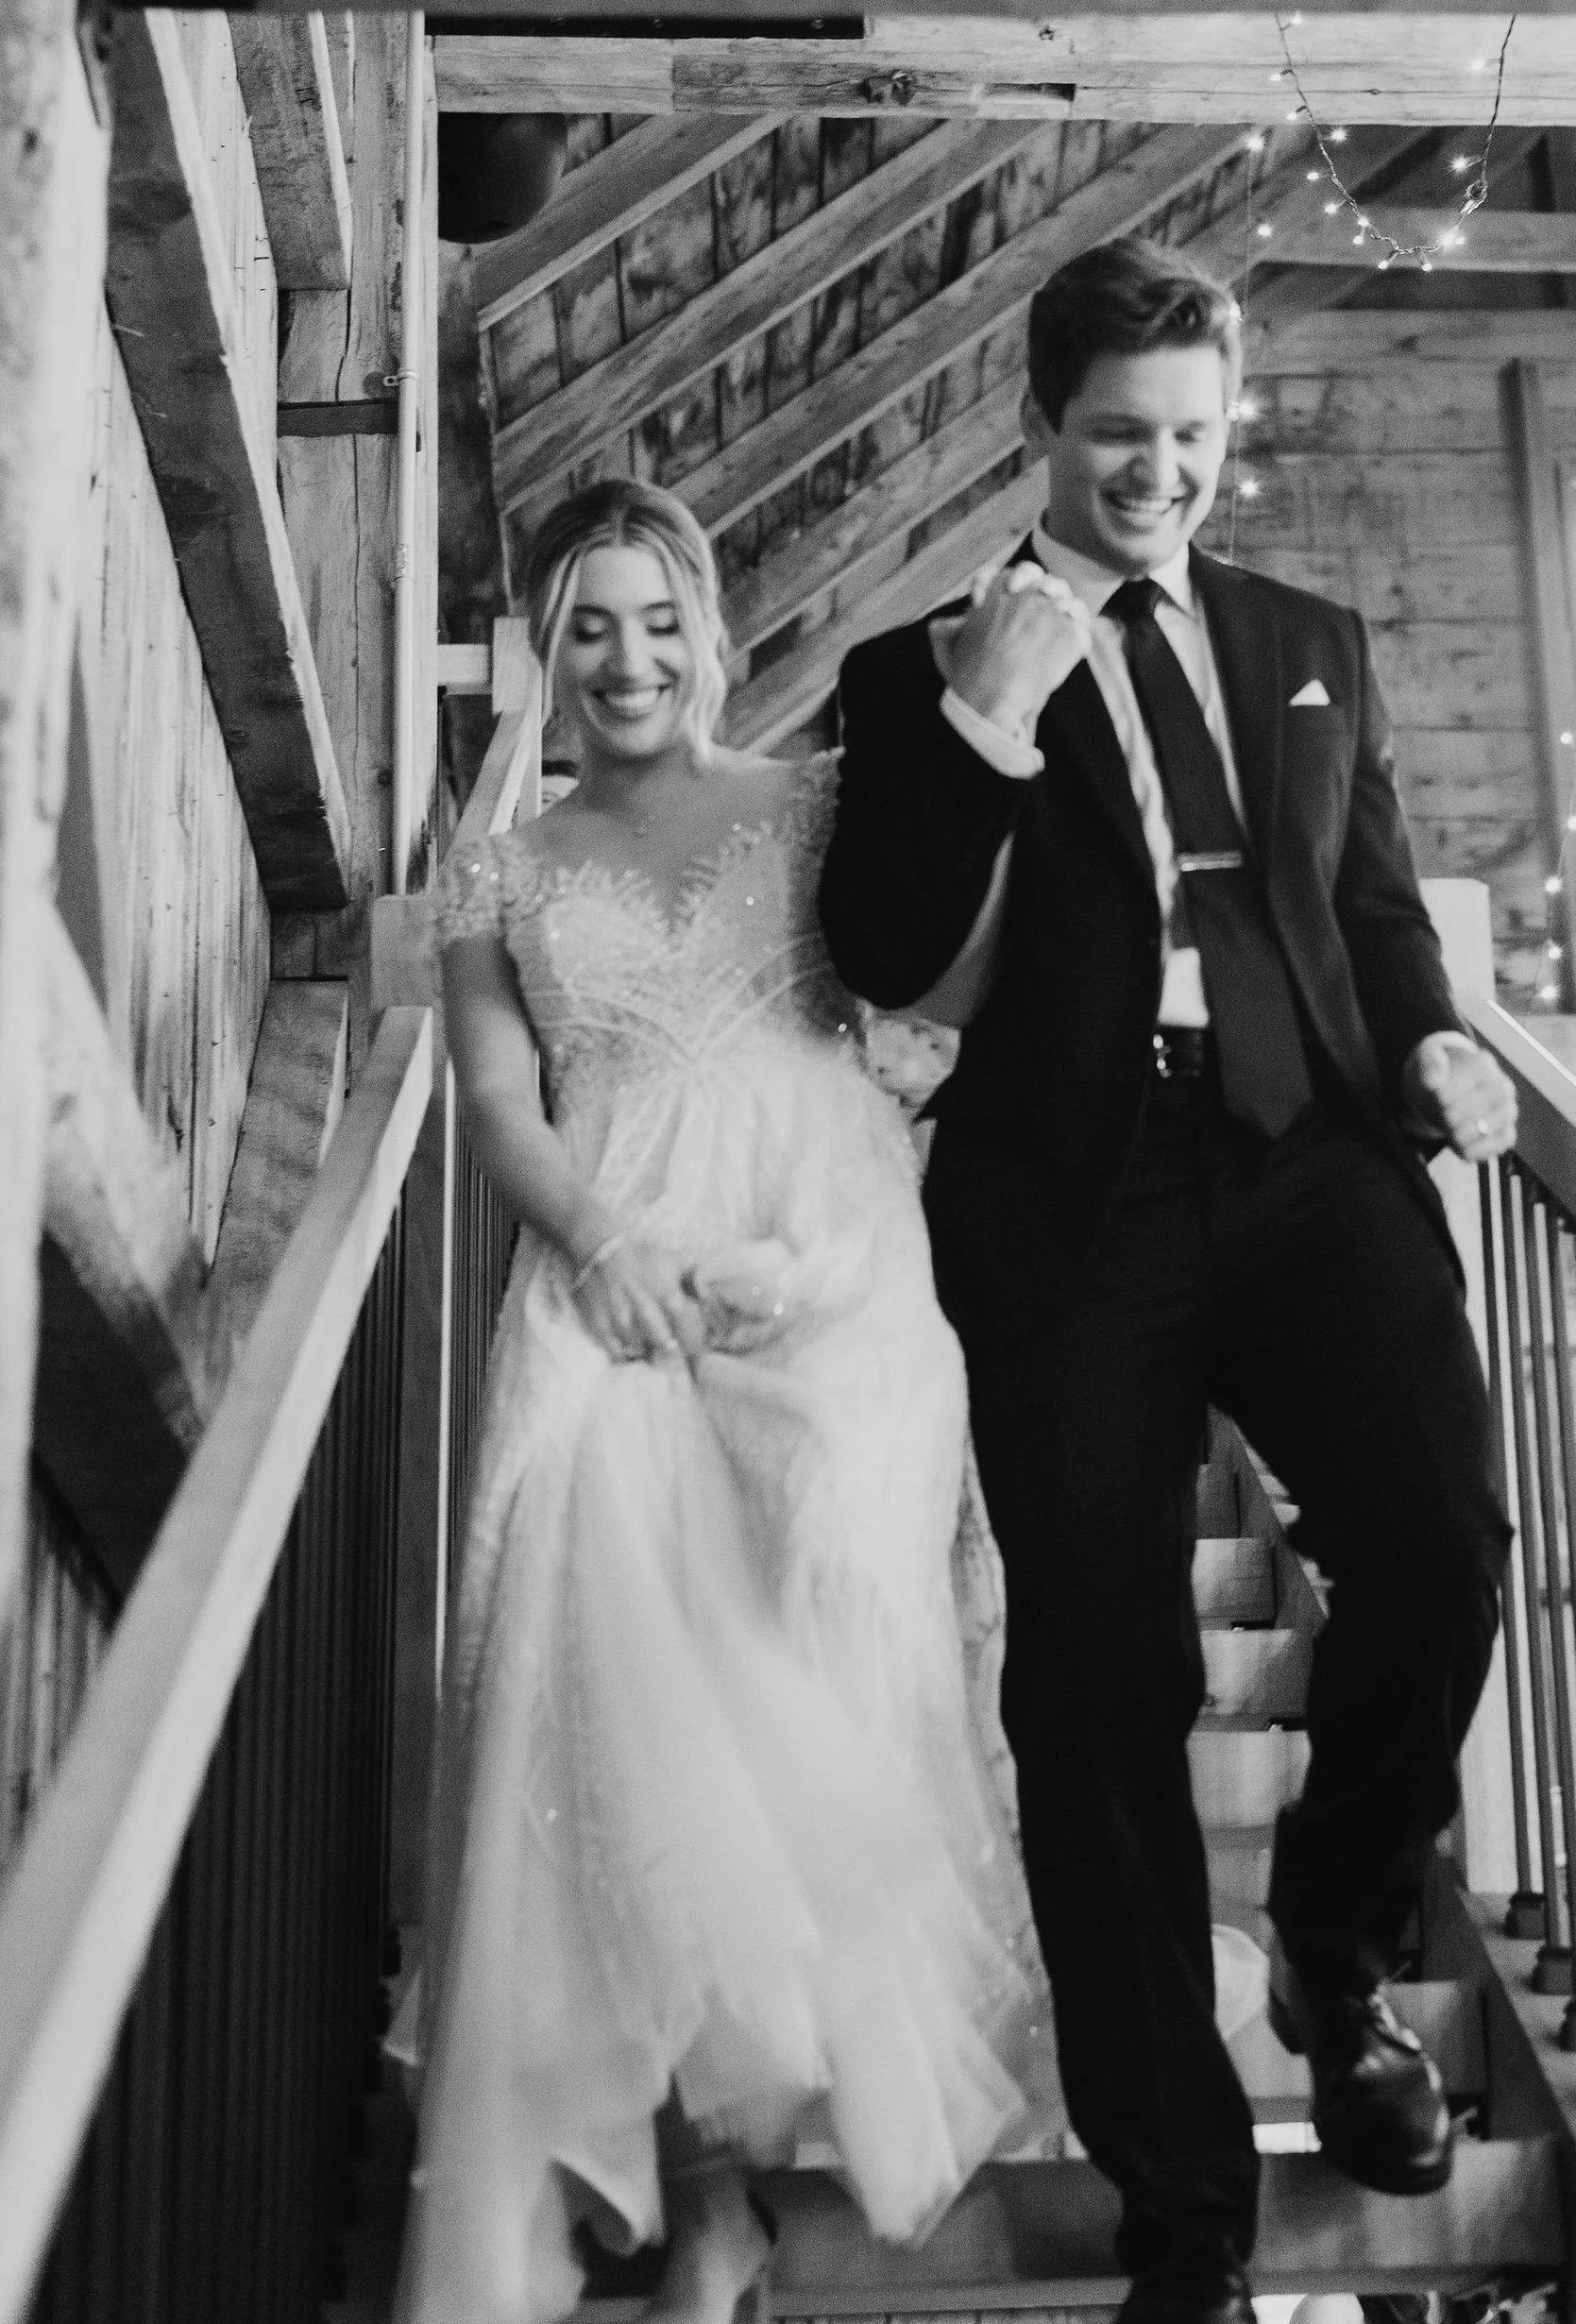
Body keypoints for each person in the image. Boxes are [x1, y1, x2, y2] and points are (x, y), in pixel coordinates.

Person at [819, 236, 1519, 2324]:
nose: (1160, 476)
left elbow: (1371, 908)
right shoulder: (919, 667)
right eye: (1120, 438)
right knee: (1101, 1683)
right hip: (1078, 1201)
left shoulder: (1311, 639)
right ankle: (1182, 2221)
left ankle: (1332, 1946)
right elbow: (876, 941)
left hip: (1313, 1163)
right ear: (1039, 427)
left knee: (1436, 1535)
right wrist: (983, 720)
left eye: (1195, 439)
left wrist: (1436, 1039)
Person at [398, 479, 1053, 2324]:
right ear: (547, 647)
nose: (626, 659)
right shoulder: (505, 861)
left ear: (710, 627)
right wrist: (598, 1238)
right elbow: (503, 1105)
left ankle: (773, 2153)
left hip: (812, 1274)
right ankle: (695, 2198)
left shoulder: (816, 801)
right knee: (596, 1700)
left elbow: (941, 965)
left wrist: (863, 1167)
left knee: (793, 1691)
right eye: (588, 624)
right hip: (604, 1285)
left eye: (657, 618)